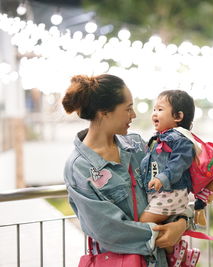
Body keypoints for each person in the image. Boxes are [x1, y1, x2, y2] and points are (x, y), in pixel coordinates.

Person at [62, 74, 190, 267]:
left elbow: (173, 188)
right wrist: (161, 234)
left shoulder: (138, 145)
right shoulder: (79, 168)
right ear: (104, 112)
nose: (134, 115)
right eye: (128, 108)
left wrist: (181, 223)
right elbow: (109, 230)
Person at [139, 90, 200, 266]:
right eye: (154, 109)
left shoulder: (181, 139)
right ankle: (176, 252)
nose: (154, 114)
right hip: (163, 192)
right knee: (160, 225)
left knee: (144, 222)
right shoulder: (159, 138)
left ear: (178, 116)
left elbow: (178, 163)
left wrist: (162, 178)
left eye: (160, 109)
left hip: (171, 192)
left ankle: (171, 252)